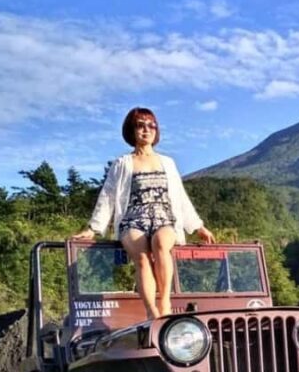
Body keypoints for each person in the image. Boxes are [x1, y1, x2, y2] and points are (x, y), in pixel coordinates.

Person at [73, 107, 215, 319]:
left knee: (161, 244)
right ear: (132, 130)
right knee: (141, 258)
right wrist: (93, 228)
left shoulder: (167, 162)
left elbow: (180, 196)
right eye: (140, 125)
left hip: (164, 217)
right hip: (133, 219)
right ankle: (151, 311)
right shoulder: (122, 163)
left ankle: (165, 302)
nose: (146, 130)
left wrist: (198, 226)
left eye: (151, 126)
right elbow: (108, 195)